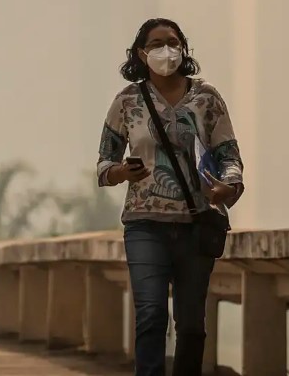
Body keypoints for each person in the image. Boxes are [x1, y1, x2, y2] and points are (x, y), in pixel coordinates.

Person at [97, 18, 244, 376]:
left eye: (174, 42)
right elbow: (104, 164)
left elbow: (230, 156)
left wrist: (228, 186)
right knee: (151, 315)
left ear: (184, 48)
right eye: (158, 43)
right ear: (141, 53)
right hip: (145, 224)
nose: (167, 50)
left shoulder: (207, 98)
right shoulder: (127, 101)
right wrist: (122, 172)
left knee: (192, 325)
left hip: (196, 225)